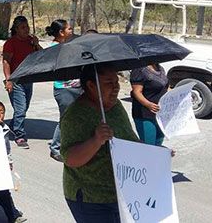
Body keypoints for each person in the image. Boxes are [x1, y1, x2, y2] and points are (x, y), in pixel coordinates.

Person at [61, 65, 139, 223]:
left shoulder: (116, 106)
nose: (116, 87)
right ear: (91, 85)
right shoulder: (75, 115)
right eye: (109, 83)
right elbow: (70, 159)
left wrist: (156, 154)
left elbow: (131, 139)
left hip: (122, 192)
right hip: (91, 199)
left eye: (116, 81)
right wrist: (96, 141)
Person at [3, 16, 41, 149]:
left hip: (29, 78)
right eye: (23, 27)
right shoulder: (10, 43)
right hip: (16, 79)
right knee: (20, 109)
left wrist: (36, 44)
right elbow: (6, 62)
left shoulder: (31, 41)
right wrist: (8, 80)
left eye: (27, 27)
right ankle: (19, 135)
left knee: (24, 107)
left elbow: (42, 56)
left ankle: (12, 126)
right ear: (16, 29)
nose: (26, 30)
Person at [46, 19, 82, 162]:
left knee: (75, 118)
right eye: (69, 29)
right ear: (61, 32)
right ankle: (56, 148)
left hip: (76, 87)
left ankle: (70, 144)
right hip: (64, 89)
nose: (71, 31)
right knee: (66, 119)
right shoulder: (55, 48)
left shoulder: (68, 45)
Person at [130, 64, 168, 146]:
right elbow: (136, 92)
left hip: (160, 115)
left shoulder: (160, 68)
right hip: (145, 115)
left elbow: (165, 88)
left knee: (158, 142)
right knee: (148, 145)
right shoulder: (139, 69)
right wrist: (148, 104)